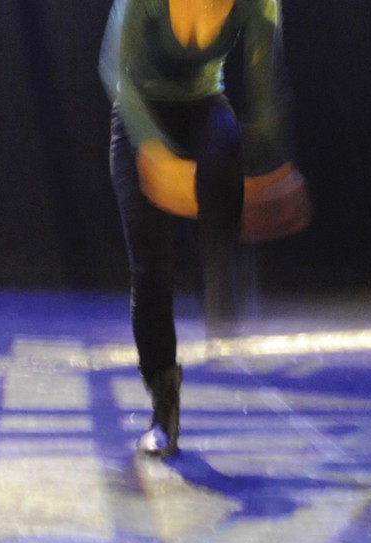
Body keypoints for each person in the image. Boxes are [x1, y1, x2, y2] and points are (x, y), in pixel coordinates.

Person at [100, 0, 302, 456]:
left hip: (204, 108)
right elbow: (114, 68)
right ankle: (163, 401)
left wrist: (271, 164)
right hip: (139, 114)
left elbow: (265, 82)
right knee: (151, 266)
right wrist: (154, 151)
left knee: (225, 137)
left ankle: (223, 269)